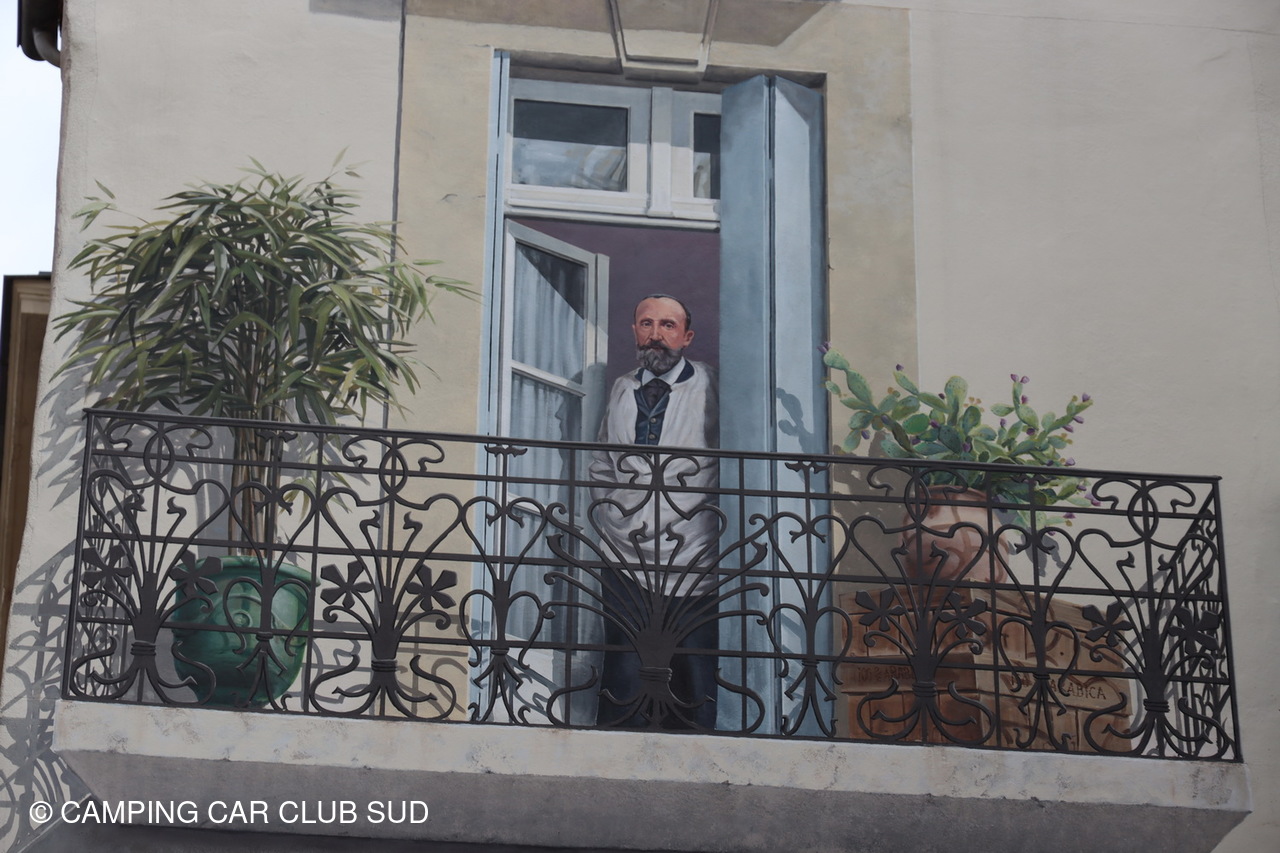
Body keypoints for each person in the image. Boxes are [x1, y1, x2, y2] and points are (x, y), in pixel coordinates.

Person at [588, 294, 719, 730]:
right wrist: (614, 510)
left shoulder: (709, 385)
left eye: (667, 325)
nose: (656, 335)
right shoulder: (623, 388)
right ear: (635, 331)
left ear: (686, 336)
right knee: (625, 662)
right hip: (623, 546)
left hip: (693, 546)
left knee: (691, 663)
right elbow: (603, 459)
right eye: (647, 324)